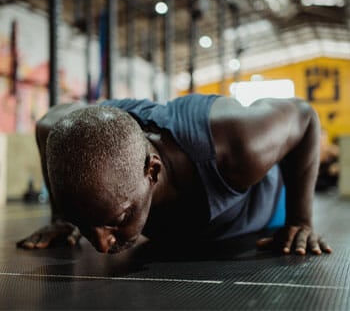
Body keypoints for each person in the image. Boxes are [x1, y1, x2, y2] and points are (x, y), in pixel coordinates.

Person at [17, 94, 332, 255]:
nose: (101, 245)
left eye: (117, 220)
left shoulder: (238, 143)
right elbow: (48, 123)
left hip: (261, 205)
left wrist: (300, 220)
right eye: (87, 226)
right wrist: (62, 217)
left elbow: (304, 116)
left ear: (152, 170)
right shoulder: (69, 134)